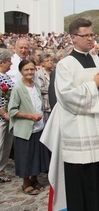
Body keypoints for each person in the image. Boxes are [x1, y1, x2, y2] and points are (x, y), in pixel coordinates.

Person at [41, 18, 99, 210]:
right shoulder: (65, 65)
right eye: (85, 35)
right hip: (80, 134)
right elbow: (66, 97)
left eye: (91, 34)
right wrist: (94, 85)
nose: (90, 39)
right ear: (73, 37)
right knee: (84, 183)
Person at [8, 59, 50, 195]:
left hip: (38, 126)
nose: (30, 72)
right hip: (25, 128)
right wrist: (30, 116)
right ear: (21, 71)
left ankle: (34, 178)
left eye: (32, 69)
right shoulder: (18, 88)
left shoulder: (35, 85)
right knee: (25, 156)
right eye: (26, 69)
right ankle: (26, 182)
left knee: (37, 154)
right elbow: (12, 110)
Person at [0, 49, 14, 183]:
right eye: (9, 61)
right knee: (0, 144)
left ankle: (1, 170)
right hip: (2, 116)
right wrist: (3, 112)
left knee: (7, 146)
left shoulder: (7, 76)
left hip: (9, 115)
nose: (11, 64)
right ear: (1, 62)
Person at [36, 53, 53, 124]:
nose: (50, 62)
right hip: (45, 103)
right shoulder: (39, 74)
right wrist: (52, 89)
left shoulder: (54, 72)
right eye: (47, 60)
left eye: (51, 60)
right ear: (42, 63)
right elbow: (41, 88)